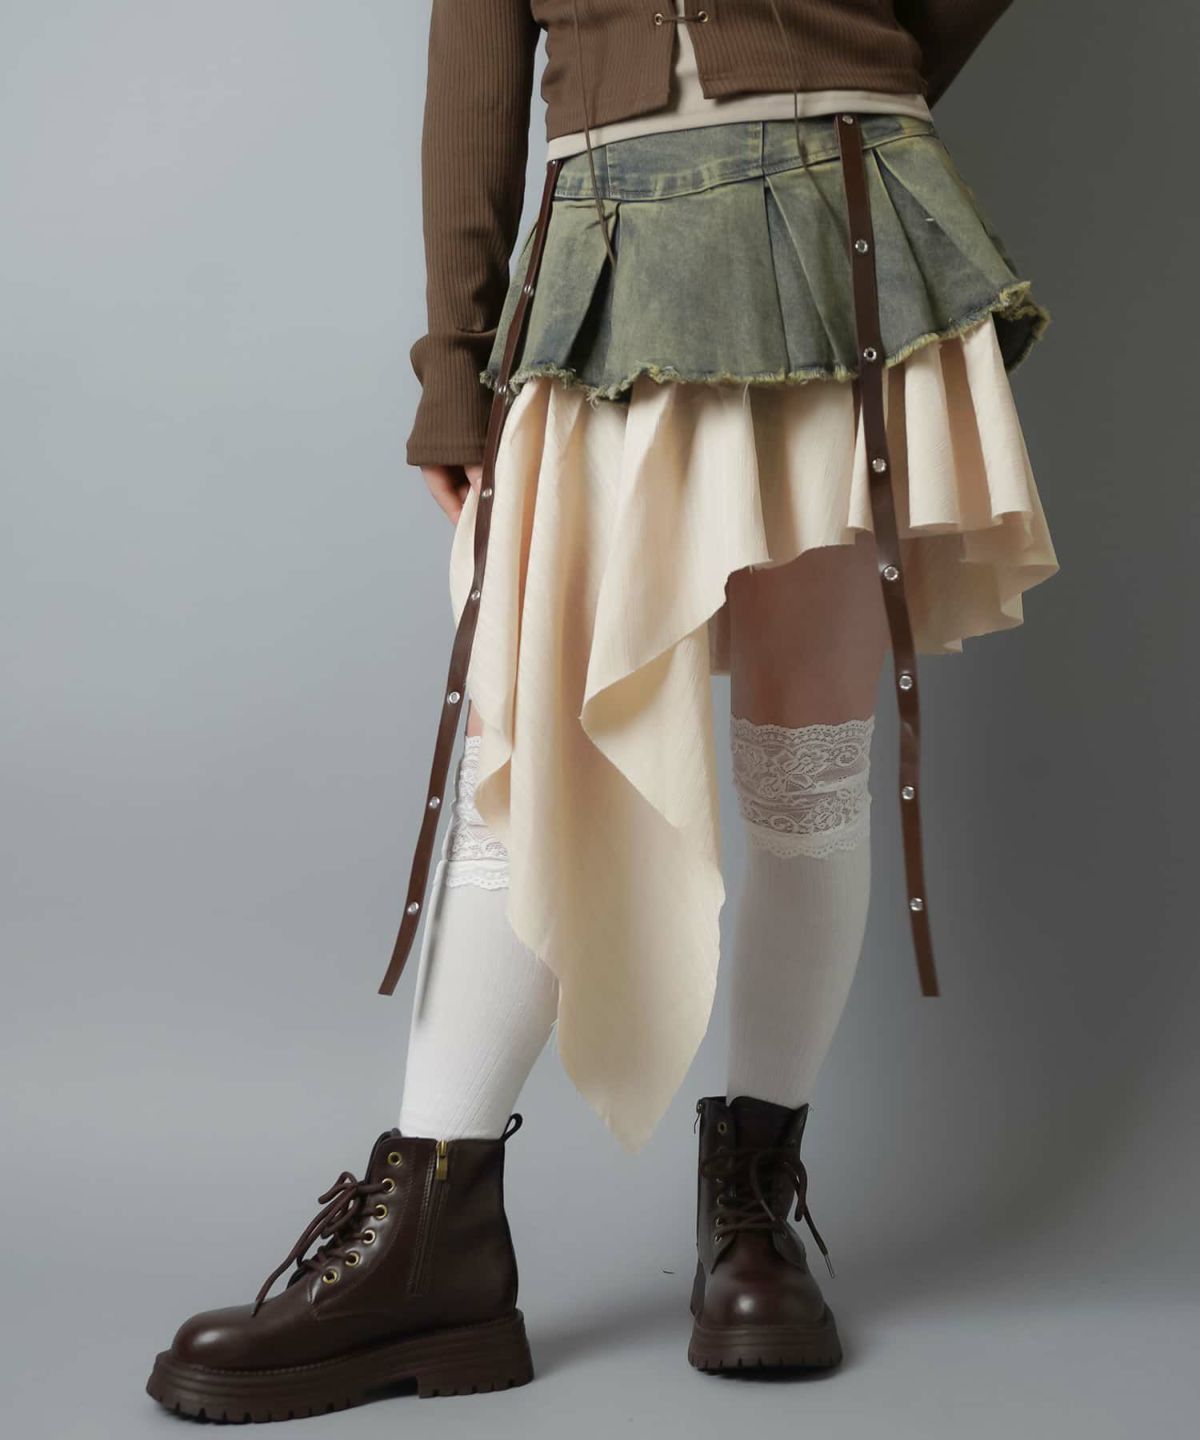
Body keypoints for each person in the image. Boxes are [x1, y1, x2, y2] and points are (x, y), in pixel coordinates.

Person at [146, 1, 1057, 1421]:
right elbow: (474, 51)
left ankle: (752, 1206)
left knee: (806, 758)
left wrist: (845, 54)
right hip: (610, 233)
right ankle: (435, 1233)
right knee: (531, 745)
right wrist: (454, 357)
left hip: (840, 203)